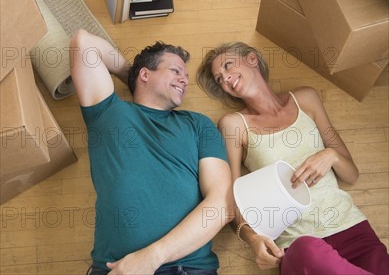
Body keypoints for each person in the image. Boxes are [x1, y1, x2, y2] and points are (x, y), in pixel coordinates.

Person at [196, 42, 389, 275]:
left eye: (227, 66)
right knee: (308, 250)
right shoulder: (234, 124)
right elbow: (231, 200)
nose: (226, 79)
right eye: (219, 79)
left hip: (354, 230)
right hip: (298, 243)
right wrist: (253, 239)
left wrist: (332, 156)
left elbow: (351, 175)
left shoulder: (306, 98)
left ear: (252, 59)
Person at [70, 29, 233, 275]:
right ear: (146, 74)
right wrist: (133, 75)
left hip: (187, 268)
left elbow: (222, 204)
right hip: (115, 267)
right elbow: (83, 43)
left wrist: (153, 256)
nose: (184, 80)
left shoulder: (199, 125)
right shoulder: (108, 111)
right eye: (175, 71)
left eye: (186, 75)